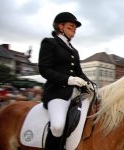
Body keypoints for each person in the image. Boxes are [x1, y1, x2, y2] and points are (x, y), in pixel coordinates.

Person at [38, 12, 91, 150]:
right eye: (71, 26)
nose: (74, 29)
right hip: (57, 93)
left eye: (75, 27)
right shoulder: (49, 43)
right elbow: (44, 69)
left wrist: (90, 84)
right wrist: (68, 79)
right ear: (60, 27)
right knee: (57, 126)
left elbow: (79, 73)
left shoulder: (74, 50)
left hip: (76, 94)